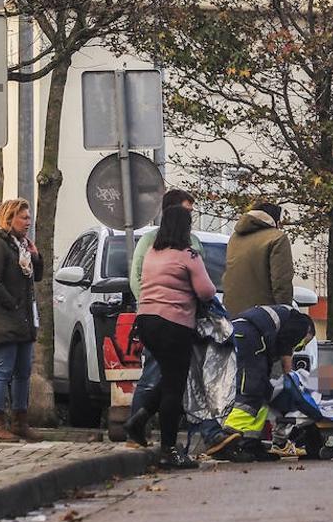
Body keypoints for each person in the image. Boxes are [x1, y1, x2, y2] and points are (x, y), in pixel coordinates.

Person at [124, 206, 217, 469]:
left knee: (168, 378)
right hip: (174, 323)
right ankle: (169, 449)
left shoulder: (153, 252)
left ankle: (138, 420)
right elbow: (207, 291)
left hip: (146, 320)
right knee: (175, 388)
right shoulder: (189, 254)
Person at [209, 304, 316, 460]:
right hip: (249, 337)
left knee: (263, 391)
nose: (299, 347)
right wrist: (290, 376)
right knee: (251, 389)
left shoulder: (281, 318)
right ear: (309, 331)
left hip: (242, 334)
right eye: (303, 343)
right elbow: (286, 344)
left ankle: (251, 443)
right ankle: (228, 438)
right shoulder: (301, 322)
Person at [0, 199, 44, 442]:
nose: (28, 222)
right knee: (4, 370)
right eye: (24, 218)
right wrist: (13, 305)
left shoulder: (22, 246)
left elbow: (35, 277)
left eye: (29, 218)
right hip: (3, 320)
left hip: (23, 320)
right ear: (10, 218)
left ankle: (20, 420)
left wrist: (36, 257)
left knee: (23, 371)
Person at [222, 201, 294, 316]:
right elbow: (281, 281)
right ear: (275, 220)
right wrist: (286, 312)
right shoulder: (277, 238)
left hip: (233, 314)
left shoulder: (235, 237)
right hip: (264, 316)